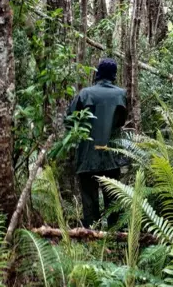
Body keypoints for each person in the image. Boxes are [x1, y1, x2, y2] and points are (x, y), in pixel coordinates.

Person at [66, 57, 127, 228]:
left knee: (89, 201)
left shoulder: (85, 94)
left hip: (87, 155)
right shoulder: (121, 94)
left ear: (98, 73)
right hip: (111, 156)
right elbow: (121, 121)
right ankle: (115, 237)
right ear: (114, 74)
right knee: (113, 200)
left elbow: (70, 120)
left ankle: (91, 236)